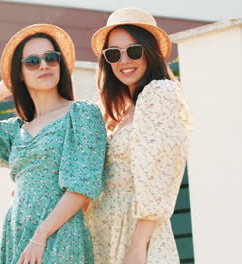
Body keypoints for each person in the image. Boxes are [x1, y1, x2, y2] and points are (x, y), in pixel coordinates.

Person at [0, 24, 107, 264]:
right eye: (32, 61)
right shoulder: (16, 131)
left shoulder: (81, 114)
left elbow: (81, 188)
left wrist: (40, 237)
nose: (44, 65)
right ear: (19, 73)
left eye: (51, 58)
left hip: (59, 234)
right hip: (18, 233)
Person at [85, 8, 191, 264]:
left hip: (135, 237)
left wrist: (137, 246)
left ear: (149, 51)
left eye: (133, 50)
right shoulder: (116, 112)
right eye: (113, 54)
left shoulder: (159, 94)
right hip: (102, 237)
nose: (124, 61)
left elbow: (158, 174)